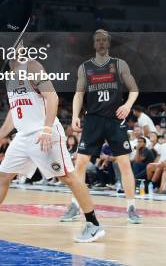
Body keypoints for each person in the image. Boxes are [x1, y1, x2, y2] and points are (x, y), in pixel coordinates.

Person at [0, 58, 105, 243]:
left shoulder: (31, 66)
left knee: (68, 177)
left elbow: (52, 97)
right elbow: (14, 111)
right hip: (23, 137)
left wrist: (47, 129)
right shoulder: (9, 77)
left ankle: (94, 225)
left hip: (44, 133)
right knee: (2, 176)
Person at [60, 29, 142, 224]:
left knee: (124, 164)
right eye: (98, 40)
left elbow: (134, 89)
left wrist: (127, 105)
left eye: (105, 40)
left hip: (115, 119)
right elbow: (79, 94)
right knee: (79, 164)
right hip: (93, 119)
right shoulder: (85, 67)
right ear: (94, 44)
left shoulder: (119, 64)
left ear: (109, 43)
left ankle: (131, 208)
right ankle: (74, 204)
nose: (101, 43)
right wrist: (74, 117)